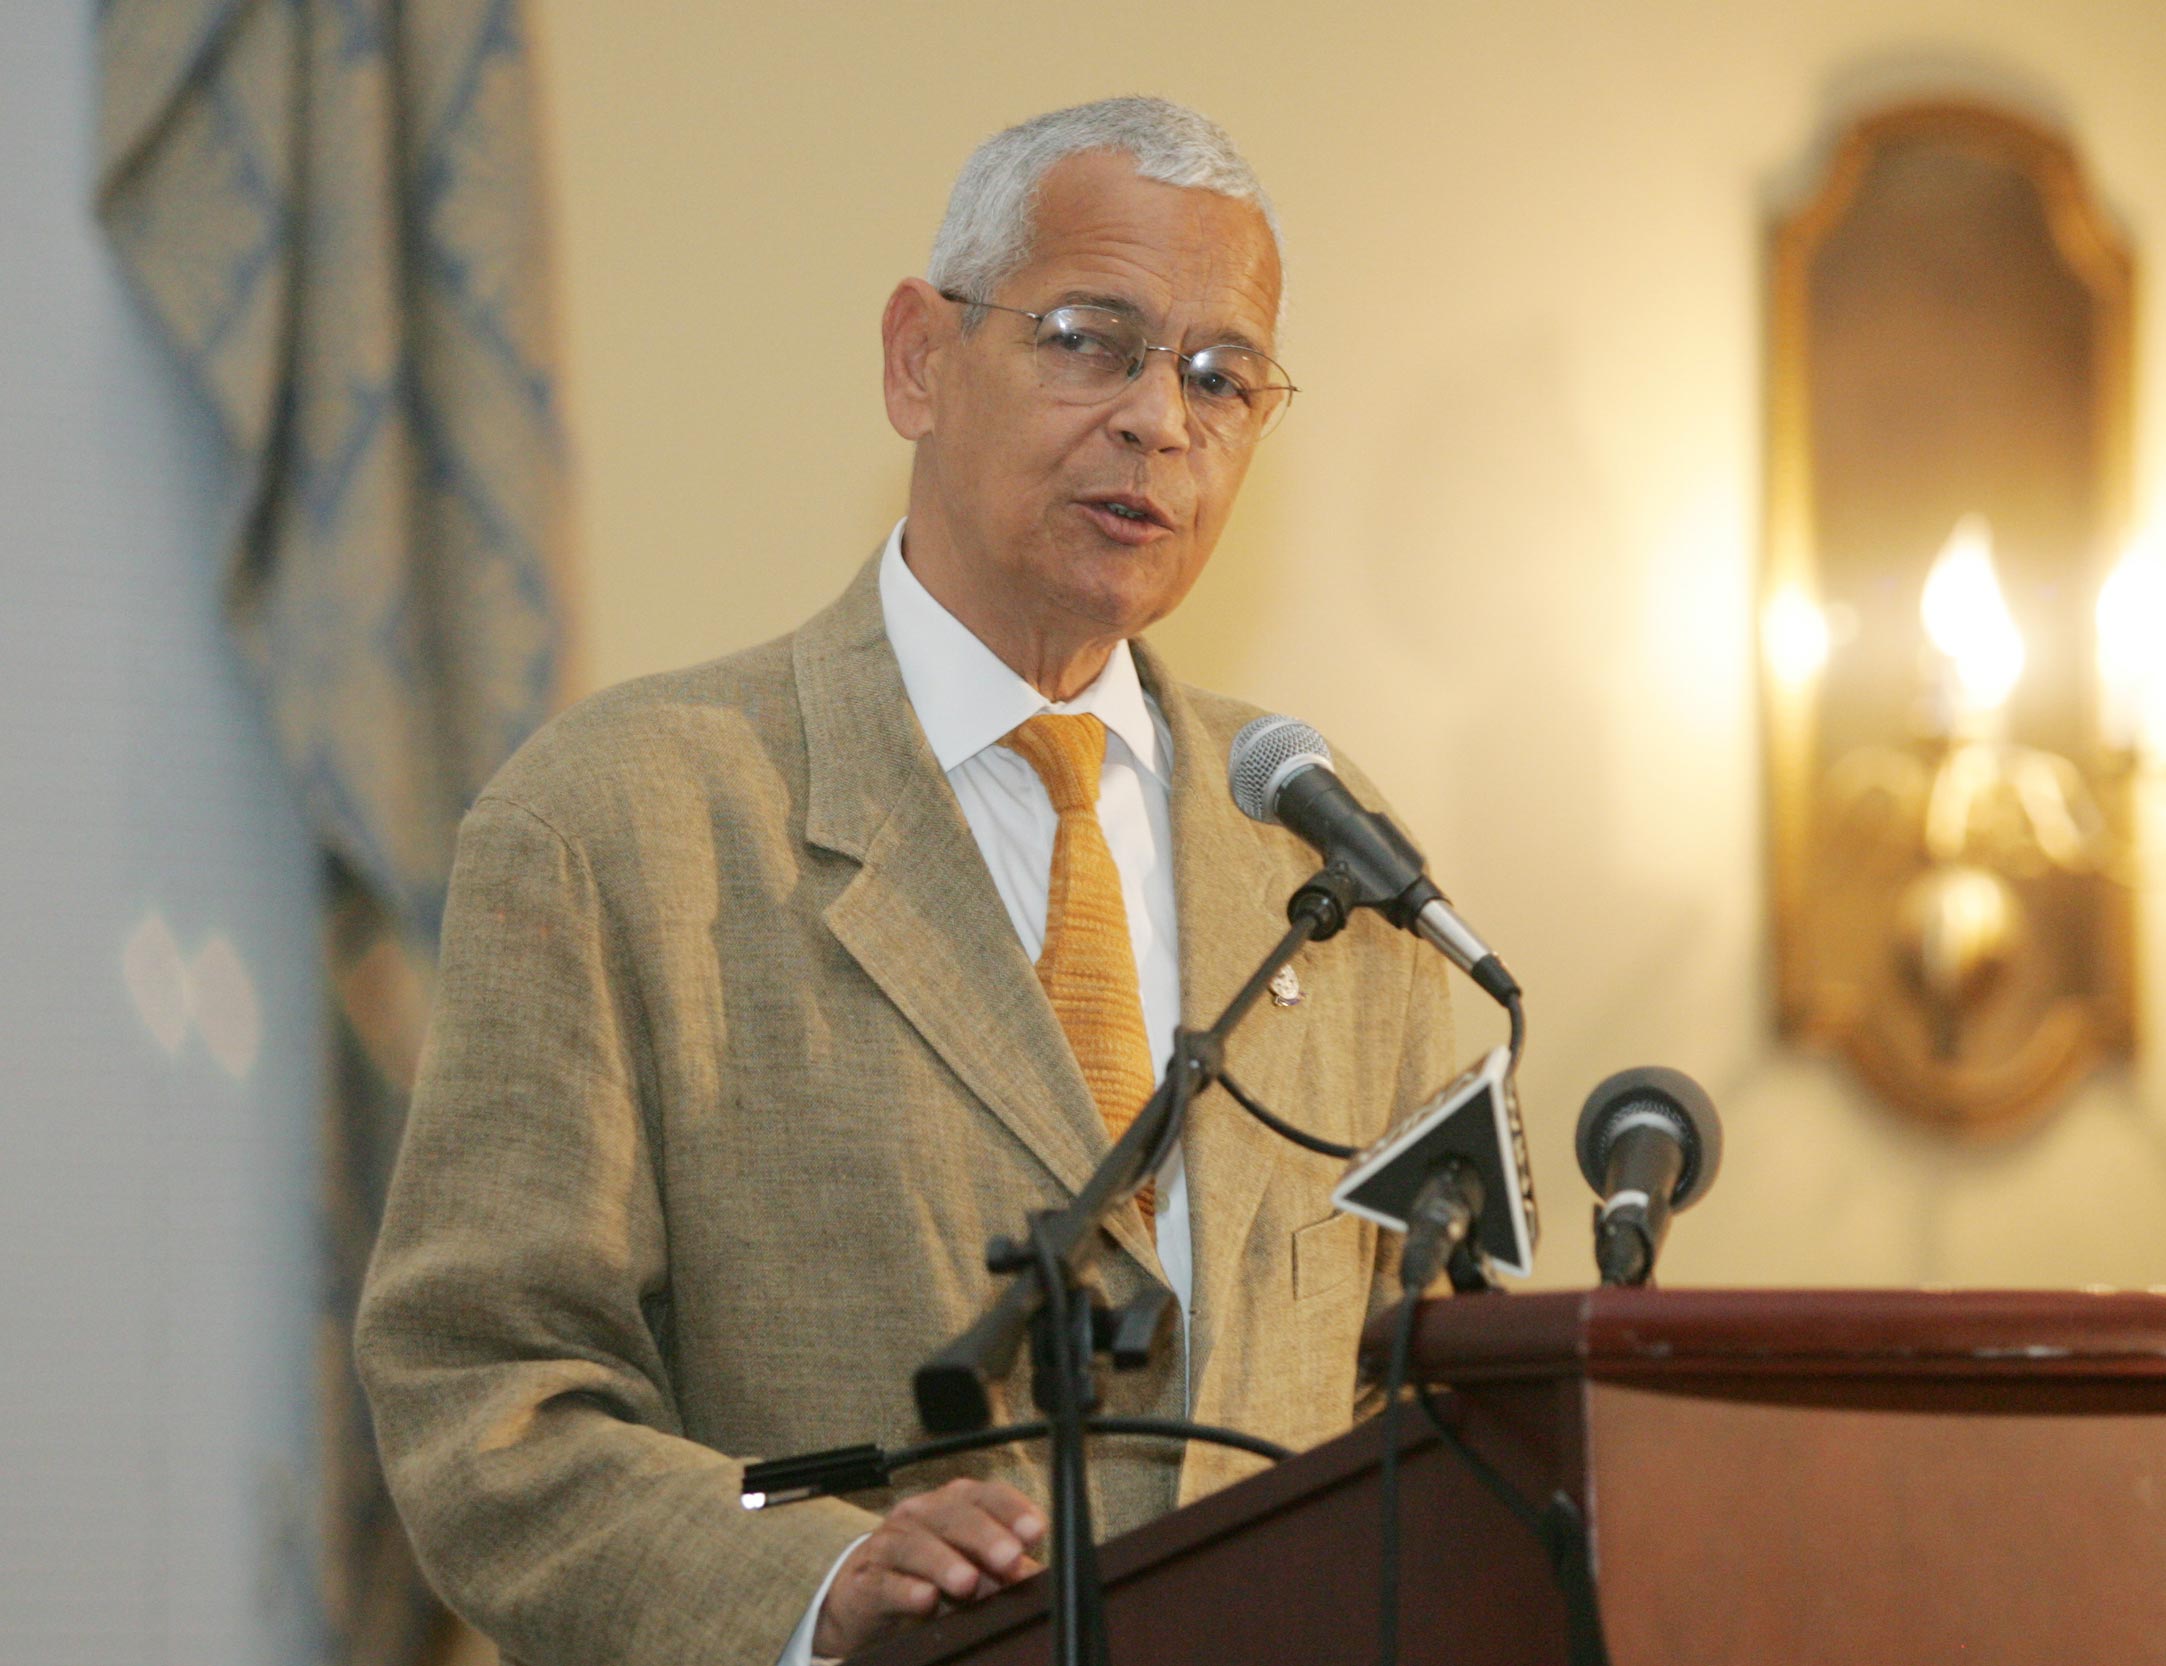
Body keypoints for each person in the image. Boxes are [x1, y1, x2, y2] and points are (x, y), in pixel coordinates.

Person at [356, 97, 1454, 1666]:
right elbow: (493, 1405)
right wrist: (809, 1586)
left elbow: (1417, 1396)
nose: (1160, 420)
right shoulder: (619, 821)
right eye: (1093, 339)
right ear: (918, 358)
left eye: (1222, 378)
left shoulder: (1324, 855)